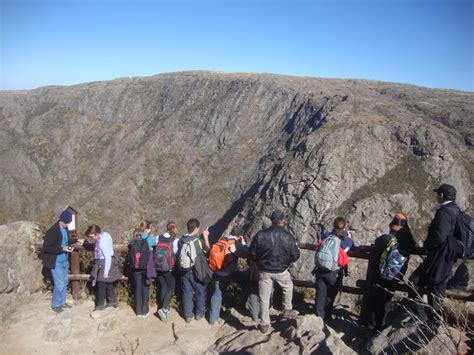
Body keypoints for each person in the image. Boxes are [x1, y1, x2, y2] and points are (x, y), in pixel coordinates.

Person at [402, 184, 460, 328]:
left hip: (439, 255)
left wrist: (428, 246)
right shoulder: (456, 210)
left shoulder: (445, 212)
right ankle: (434, 319)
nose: (436, 197)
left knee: (414, 282)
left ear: (442, 195)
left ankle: (420, 315)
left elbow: (439, 236)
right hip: (448, 256)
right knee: (436, 286)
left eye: (438, 194)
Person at [360, 213, 416, 330]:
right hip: (396, 276)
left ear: (391, 226)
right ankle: (381, 326)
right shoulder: (408, 242)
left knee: (375, 300)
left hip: (381, 275)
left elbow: (376, 247)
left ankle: (371, 326)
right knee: (386, 301)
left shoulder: (386, 239)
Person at [248, 209, 300, 334]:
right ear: (282, 220)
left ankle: (265, 324)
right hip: (281, 270)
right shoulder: (288, 236)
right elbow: (295, 255)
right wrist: (287, 261)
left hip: (264, 271)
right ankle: (287, 309)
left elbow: (252, 253)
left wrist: (260, 263)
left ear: (272, 220)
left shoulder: (260, 235)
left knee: (264, 298)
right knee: (288, 287)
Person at [41, 210, 83, 313]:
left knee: (64, 282)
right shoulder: (52, 231)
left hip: (64, 260)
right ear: (61, 220)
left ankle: (62, 302)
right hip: (56, 261)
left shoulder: (65, 228)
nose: (67, 224)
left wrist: (77, 240)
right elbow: (47, 248)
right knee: (59, 283)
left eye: (68, 223)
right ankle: (56, 304)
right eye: (65, 222)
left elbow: (67, 240)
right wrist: (62, 249)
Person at [208, 226, 249, 325]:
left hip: (216, 273)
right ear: (239, 236)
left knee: (216, 295)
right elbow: (247, 254)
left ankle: (213, 319)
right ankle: (240, 305)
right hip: (228, 274)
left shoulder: (222, 241)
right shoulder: (236, 244)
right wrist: (243, 244)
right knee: (247, 281)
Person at [313, 217, 350, 321]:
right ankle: (327, 316)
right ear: (345, 227)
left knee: (320, 292)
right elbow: (352, 248)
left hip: (320, 268)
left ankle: (318, 317)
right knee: (331, 294)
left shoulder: (326, 235)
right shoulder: (346, 240)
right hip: (334, 271)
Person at [176, 218, 210, 323]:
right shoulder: (199, 241)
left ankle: (188, 316)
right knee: (200, 291)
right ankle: (199, 314)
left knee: (187, 292)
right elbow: (208, 251)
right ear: (196, 228)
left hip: (185, 270)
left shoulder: (181, 240)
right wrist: (206, 237)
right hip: (197, 271)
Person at [86, 224, 122, 311]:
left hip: (105, 263)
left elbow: (107, 257)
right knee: (108, 283)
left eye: (92, 236)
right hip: (108, 262)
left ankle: (100, 305)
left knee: (101, 284)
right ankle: (113, 301)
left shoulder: (101, 243)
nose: (92, 239)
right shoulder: (106, 234)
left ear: (97, 233)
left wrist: (106, 272)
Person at [130, 220, 157, 318]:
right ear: (147, 229)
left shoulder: (134, 238)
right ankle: (144, 310)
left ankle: (138, 311)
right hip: (146, 267)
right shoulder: (151, 239)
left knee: (137, 288)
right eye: (150, 228)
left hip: (135, 267)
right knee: (145, 288)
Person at [155, 222, 179, 322]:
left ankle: (162, 306)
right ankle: (164, 308)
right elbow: (176, 254)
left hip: (158, 266)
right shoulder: (175, 240)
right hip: (168, 268)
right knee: (171, 287)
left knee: (163, 286)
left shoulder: (158, 237)